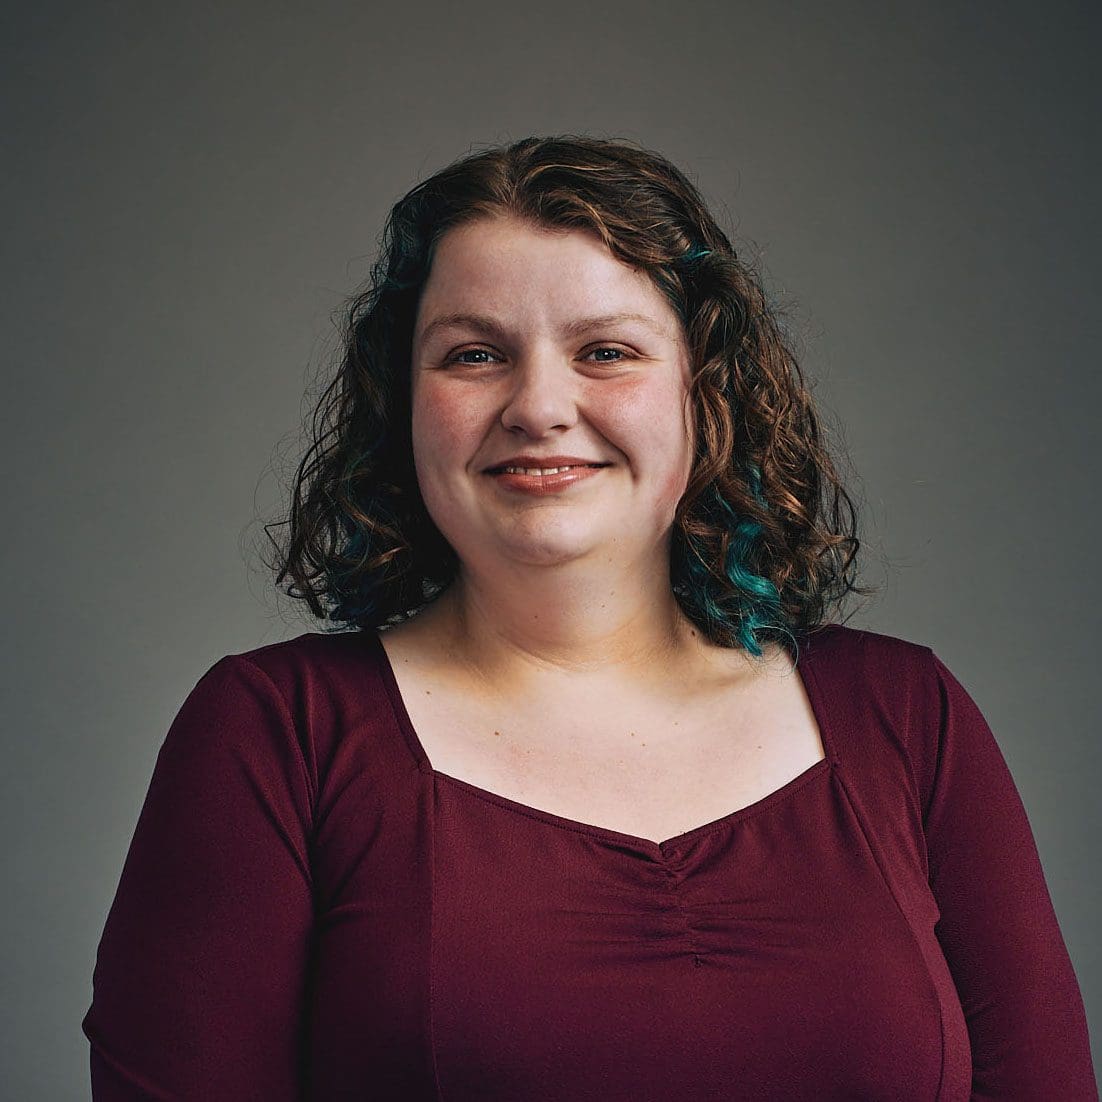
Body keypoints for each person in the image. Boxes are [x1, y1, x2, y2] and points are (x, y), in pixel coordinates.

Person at [82, 135, 1097, 1100]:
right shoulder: (275, 734)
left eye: (605, 350)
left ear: (707, 393)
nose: (539, 405)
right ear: (402, 400)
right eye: (473, 354)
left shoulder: (908, 717)